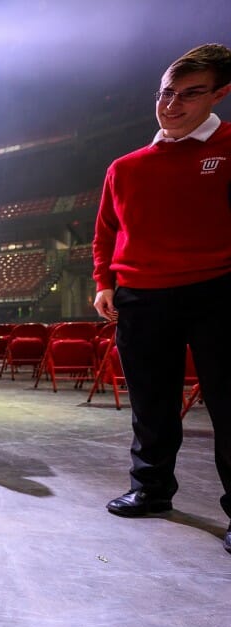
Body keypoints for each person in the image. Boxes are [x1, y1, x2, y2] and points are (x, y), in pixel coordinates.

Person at [92, 43, 231, 555]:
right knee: (151, 403)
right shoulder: (125, 167)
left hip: (218, 289)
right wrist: (105, 282)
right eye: (166, 93)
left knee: (227, 403)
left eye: (190, 94)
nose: (172, 104)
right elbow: (105, 232)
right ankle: (150, 490)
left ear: (220, 93)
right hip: (142, 296)